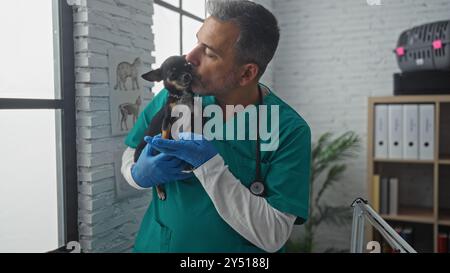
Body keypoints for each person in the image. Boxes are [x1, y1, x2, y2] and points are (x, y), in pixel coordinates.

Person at [121, 0, 311, 253]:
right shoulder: (174, 96)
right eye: (198, 41)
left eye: (209, 53)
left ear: (246, 74)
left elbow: (274, 235)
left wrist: (209, 166)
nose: (190, 57)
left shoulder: (288, 130)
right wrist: (136, 174)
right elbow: (130, 152)